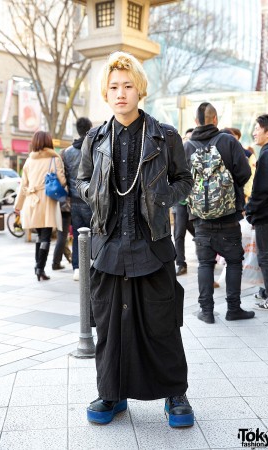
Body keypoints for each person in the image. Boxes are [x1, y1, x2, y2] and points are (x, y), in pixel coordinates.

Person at [76, 51, 194, 427]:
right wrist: (93, 193)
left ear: (139, 90)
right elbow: (81, 180)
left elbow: (185, 180)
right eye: (114, 87)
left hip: (152, 243)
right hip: (108, 245)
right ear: (105, 94)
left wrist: (161, 198)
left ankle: (175, 394)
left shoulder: (165, 135)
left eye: (128, 85)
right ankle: (111, 394)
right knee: (109, 326)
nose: (121, 92)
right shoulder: (95, 138)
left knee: (161, 323)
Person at [184, 102, 254, 324]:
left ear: (196, 122)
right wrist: (230, 192)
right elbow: (244, 173)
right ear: (215, 119)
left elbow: (181, 182)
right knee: (234, 261)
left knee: (205, 264)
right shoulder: (228, 141)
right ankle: (233, 309)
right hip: (229, 216)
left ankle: (206, 312)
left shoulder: (187, 147)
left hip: (200, 219)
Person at [14, 131, 66, 281]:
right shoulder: (54, 159)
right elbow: (62, 181)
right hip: (48, 201)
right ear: (49, 142)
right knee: (46, 236)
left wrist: (18, 205)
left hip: (32, 201)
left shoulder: (29, 161)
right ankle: (40, 268)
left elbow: (23, 184)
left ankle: (38, 267)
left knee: (40, 236)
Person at [245, 114, 268, 311]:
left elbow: (262, 188)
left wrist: (250, 211)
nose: (254, 132)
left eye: (257, 128)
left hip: (267, 214)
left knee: (266, 257)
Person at [62, 117, 93, 281]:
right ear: (89, 129)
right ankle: (92, 264)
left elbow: (66, 177)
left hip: (74, 201)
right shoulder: (94, 148)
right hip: (91, 200)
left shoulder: (68, 152)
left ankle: (77, 268)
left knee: (77, 235)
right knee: (94, 233)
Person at [173, 128, 195, 276]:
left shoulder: (198, 156)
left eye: (190, 139)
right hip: (181, 202)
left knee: (198, 231)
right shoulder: (177, 156)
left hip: (195, 202)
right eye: (185, 138)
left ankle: (211, 255)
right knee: (179, 232)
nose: (187, 141)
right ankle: (180, 263)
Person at [52, 195, 72, 270]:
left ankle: (67, 257)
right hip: (64, 207)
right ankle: (56, 263)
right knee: (62, 236)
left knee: (62, 235)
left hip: (57, 206)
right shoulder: (62, 183)